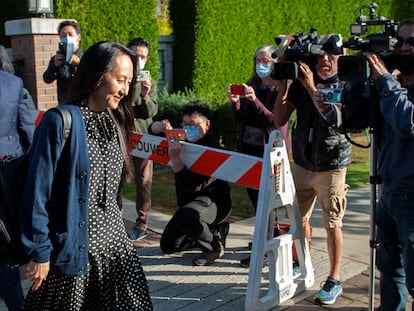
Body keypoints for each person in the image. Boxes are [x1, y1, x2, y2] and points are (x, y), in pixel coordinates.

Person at [19, 41, 153, 310]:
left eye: (130, 82)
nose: (126, 90)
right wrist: (40, 252)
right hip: (73, 254)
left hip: (115, 251)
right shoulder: (60, 121)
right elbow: (37, 192)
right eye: (121, 80)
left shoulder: (114, 121)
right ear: (98, 75)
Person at [274, 34, 352, 305]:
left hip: (332, 164)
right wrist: (284, 86)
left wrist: (309, 85)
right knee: (297, 219)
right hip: (303, 163)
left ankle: (334, 279)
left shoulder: (345, 83)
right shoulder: (300, 81)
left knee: (332, 224)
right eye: (321, 54)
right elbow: (279, 119)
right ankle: (301, 262)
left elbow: (333, 119)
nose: (325, 60)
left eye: (332, 55)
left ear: (341, 58)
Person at [361, 18, 414, 311]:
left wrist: (385, 80)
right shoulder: (390, 86)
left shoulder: (391, 85)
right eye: (400, 42)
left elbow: (407, 123)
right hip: (389, 192)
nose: (404, 48)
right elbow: (356, 124)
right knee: (390, 273)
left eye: (411, 42)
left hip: (412, 196)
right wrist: (361, 85)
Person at [226, 45, 289, 267]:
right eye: (257, 60)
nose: (260, 65)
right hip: (249, 149)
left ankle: (266, 247)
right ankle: (264, 240)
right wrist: (236, 102)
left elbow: (273, 119)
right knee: (256, 200)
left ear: (274, 63)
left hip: (270, 152)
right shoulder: (251, 84)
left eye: (265, 61)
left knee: (269, 201)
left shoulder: (281, 88)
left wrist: (254, 100)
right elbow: (241, 117)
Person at [155, 101, 232, 266]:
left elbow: (193, 187)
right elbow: (150, 134)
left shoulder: (213, 149)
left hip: (214, 203)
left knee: (186, 217)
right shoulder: (181, 140)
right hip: (189, 204)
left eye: (194, 124)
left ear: (207, 124)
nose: (189, 128)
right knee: (168, 245)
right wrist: (157, 127)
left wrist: (176, 159)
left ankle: (214, 247)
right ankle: (205, 234)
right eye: (185, 124)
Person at [0, 57, 35, 311]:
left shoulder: (14, 83)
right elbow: (28, 130)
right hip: (10, 168)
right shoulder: (13, 83)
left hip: (9, 171)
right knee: (7, 243)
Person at [125, 37, 158, 241]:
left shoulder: (149, 81)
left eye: (143, 56)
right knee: (116, 180)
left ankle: (142, 223)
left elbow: (150, 111)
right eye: (136, 55)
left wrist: (145, 95)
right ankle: (114, 219)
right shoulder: (119, 76)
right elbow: (117, 107)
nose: (140, 60)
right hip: (121, 135)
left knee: (144, 181)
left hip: (143, 137)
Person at [43, 20, 83, 104]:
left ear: (78, 37)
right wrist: (55, 66)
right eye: (64, 35)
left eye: (70, 34)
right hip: (64, 103)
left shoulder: (85, 57)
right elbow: (47, 79)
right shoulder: (57, 58)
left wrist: (80, 65)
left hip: (82, 103)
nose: (67, 37)